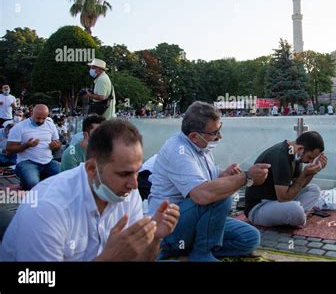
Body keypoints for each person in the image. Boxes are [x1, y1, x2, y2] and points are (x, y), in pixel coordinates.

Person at [0, 119, 180, 261]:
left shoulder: (126, 193)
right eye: (124, 173)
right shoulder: (47, 208)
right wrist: (110, 258)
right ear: (92, 169)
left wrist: (154, 238)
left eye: (136, 171)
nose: (134, 184)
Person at [148, 101, 270, 261]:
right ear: (194, 136)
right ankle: (200, 253)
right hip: (169, 227)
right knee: (219, 197)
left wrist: (225, 175)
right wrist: (245, 177)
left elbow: (204, 181)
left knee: (249, 237)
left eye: (220, 129)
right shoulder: (178, 151)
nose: (220, 136)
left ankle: (186, 253)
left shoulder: (201, 146)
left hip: (191, 219)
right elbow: (202, 195)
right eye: (215, 132)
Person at [244, 131, 328, 227]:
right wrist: (305, 173)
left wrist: (313, 172)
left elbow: (299, 185)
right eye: (310, 157)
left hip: (276, 202)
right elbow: (284, 198)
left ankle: (292, 217)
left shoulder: (295, 154)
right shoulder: (281, 156)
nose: (310, 161)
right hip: (258, 208)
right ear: (301, 148)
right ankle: (295, 217)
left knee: (314, 190)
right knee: (296, 209)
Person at [6, 104, 61, 190]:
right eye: (38, 118)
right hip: (27, 162)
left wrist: (56, 146)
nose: (41, 121)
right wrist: (26, 145)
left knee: (65, 175)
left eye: (44, 118)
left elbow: (58, 144)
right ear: (32, 113)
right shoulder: (19, 127)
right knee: (33, 184)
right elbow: (9, 150)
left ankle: (41, 177)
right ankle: (33, 179)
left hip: (48, 162)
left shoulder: (51, 125)